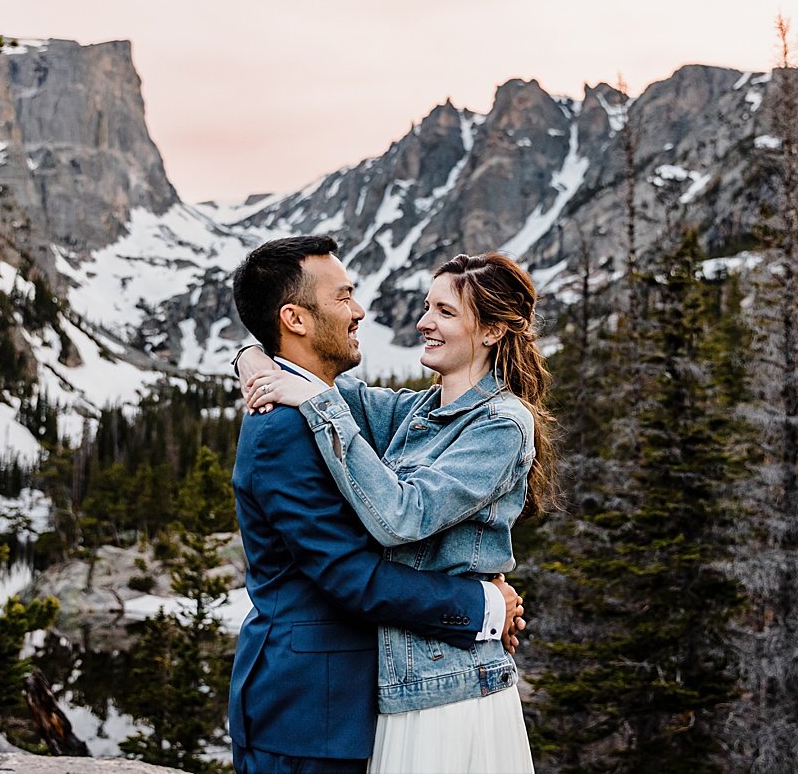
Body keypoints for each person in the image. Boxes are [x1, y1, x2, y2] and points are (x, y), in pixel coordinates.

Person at [238, 251, 559, 773]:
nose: (423, 322)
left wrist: (483, 605)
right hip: (401, 682)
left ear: (494, 331)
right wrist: (249, 357)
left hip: (447, 679)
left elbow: (403, 516)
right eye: (427, 306)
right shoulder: (415, 412)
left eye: (445, 312)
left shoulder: (501, 425)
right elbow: (311, 373)